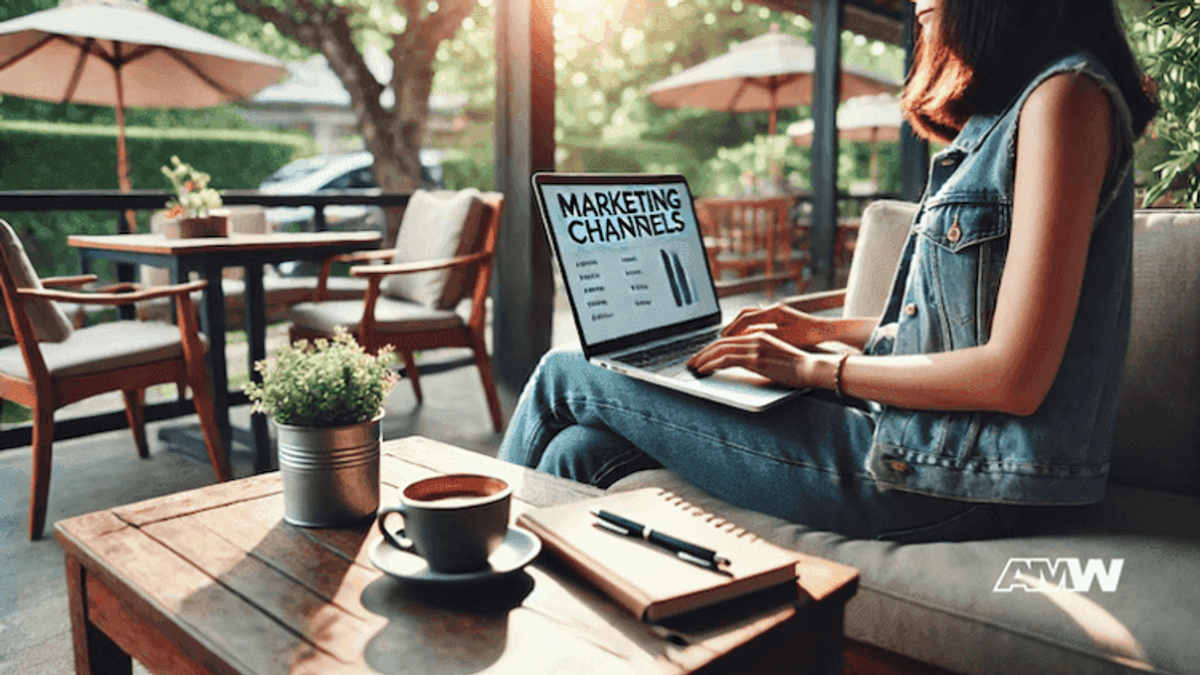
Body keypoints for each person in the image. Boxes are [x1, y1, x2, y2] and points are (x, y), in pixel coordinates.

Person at [498, 0, 1158, 542]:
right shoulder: (1004, 117)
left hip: (966, 473)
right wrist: (815, 331)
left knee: (567, 374)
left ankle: (462, 576)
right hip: (926, 439)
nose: (916, 4)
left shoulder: (1067, 97)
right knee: (575, 455)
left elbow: (1013, 376)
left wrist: (813, 370)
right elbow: (948, 337)